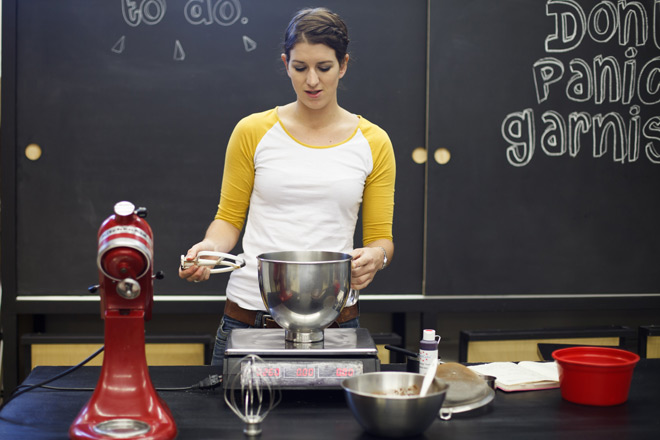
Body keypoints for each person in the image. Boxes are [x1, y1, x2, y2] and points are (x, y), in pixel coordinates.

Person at [179, 7, 396, 366]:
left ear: (343, 65)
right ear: (285, 63)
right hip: (250, 318)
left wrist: (377, 258)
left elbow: (380, 238)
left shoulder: (373, 142)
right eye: (300, 68)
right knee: (231, 421)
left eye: (324, 67)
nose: (312, 80)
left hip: (334, 324)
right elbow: (228, 219)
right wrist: (210, 248)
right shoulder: (252, 131)